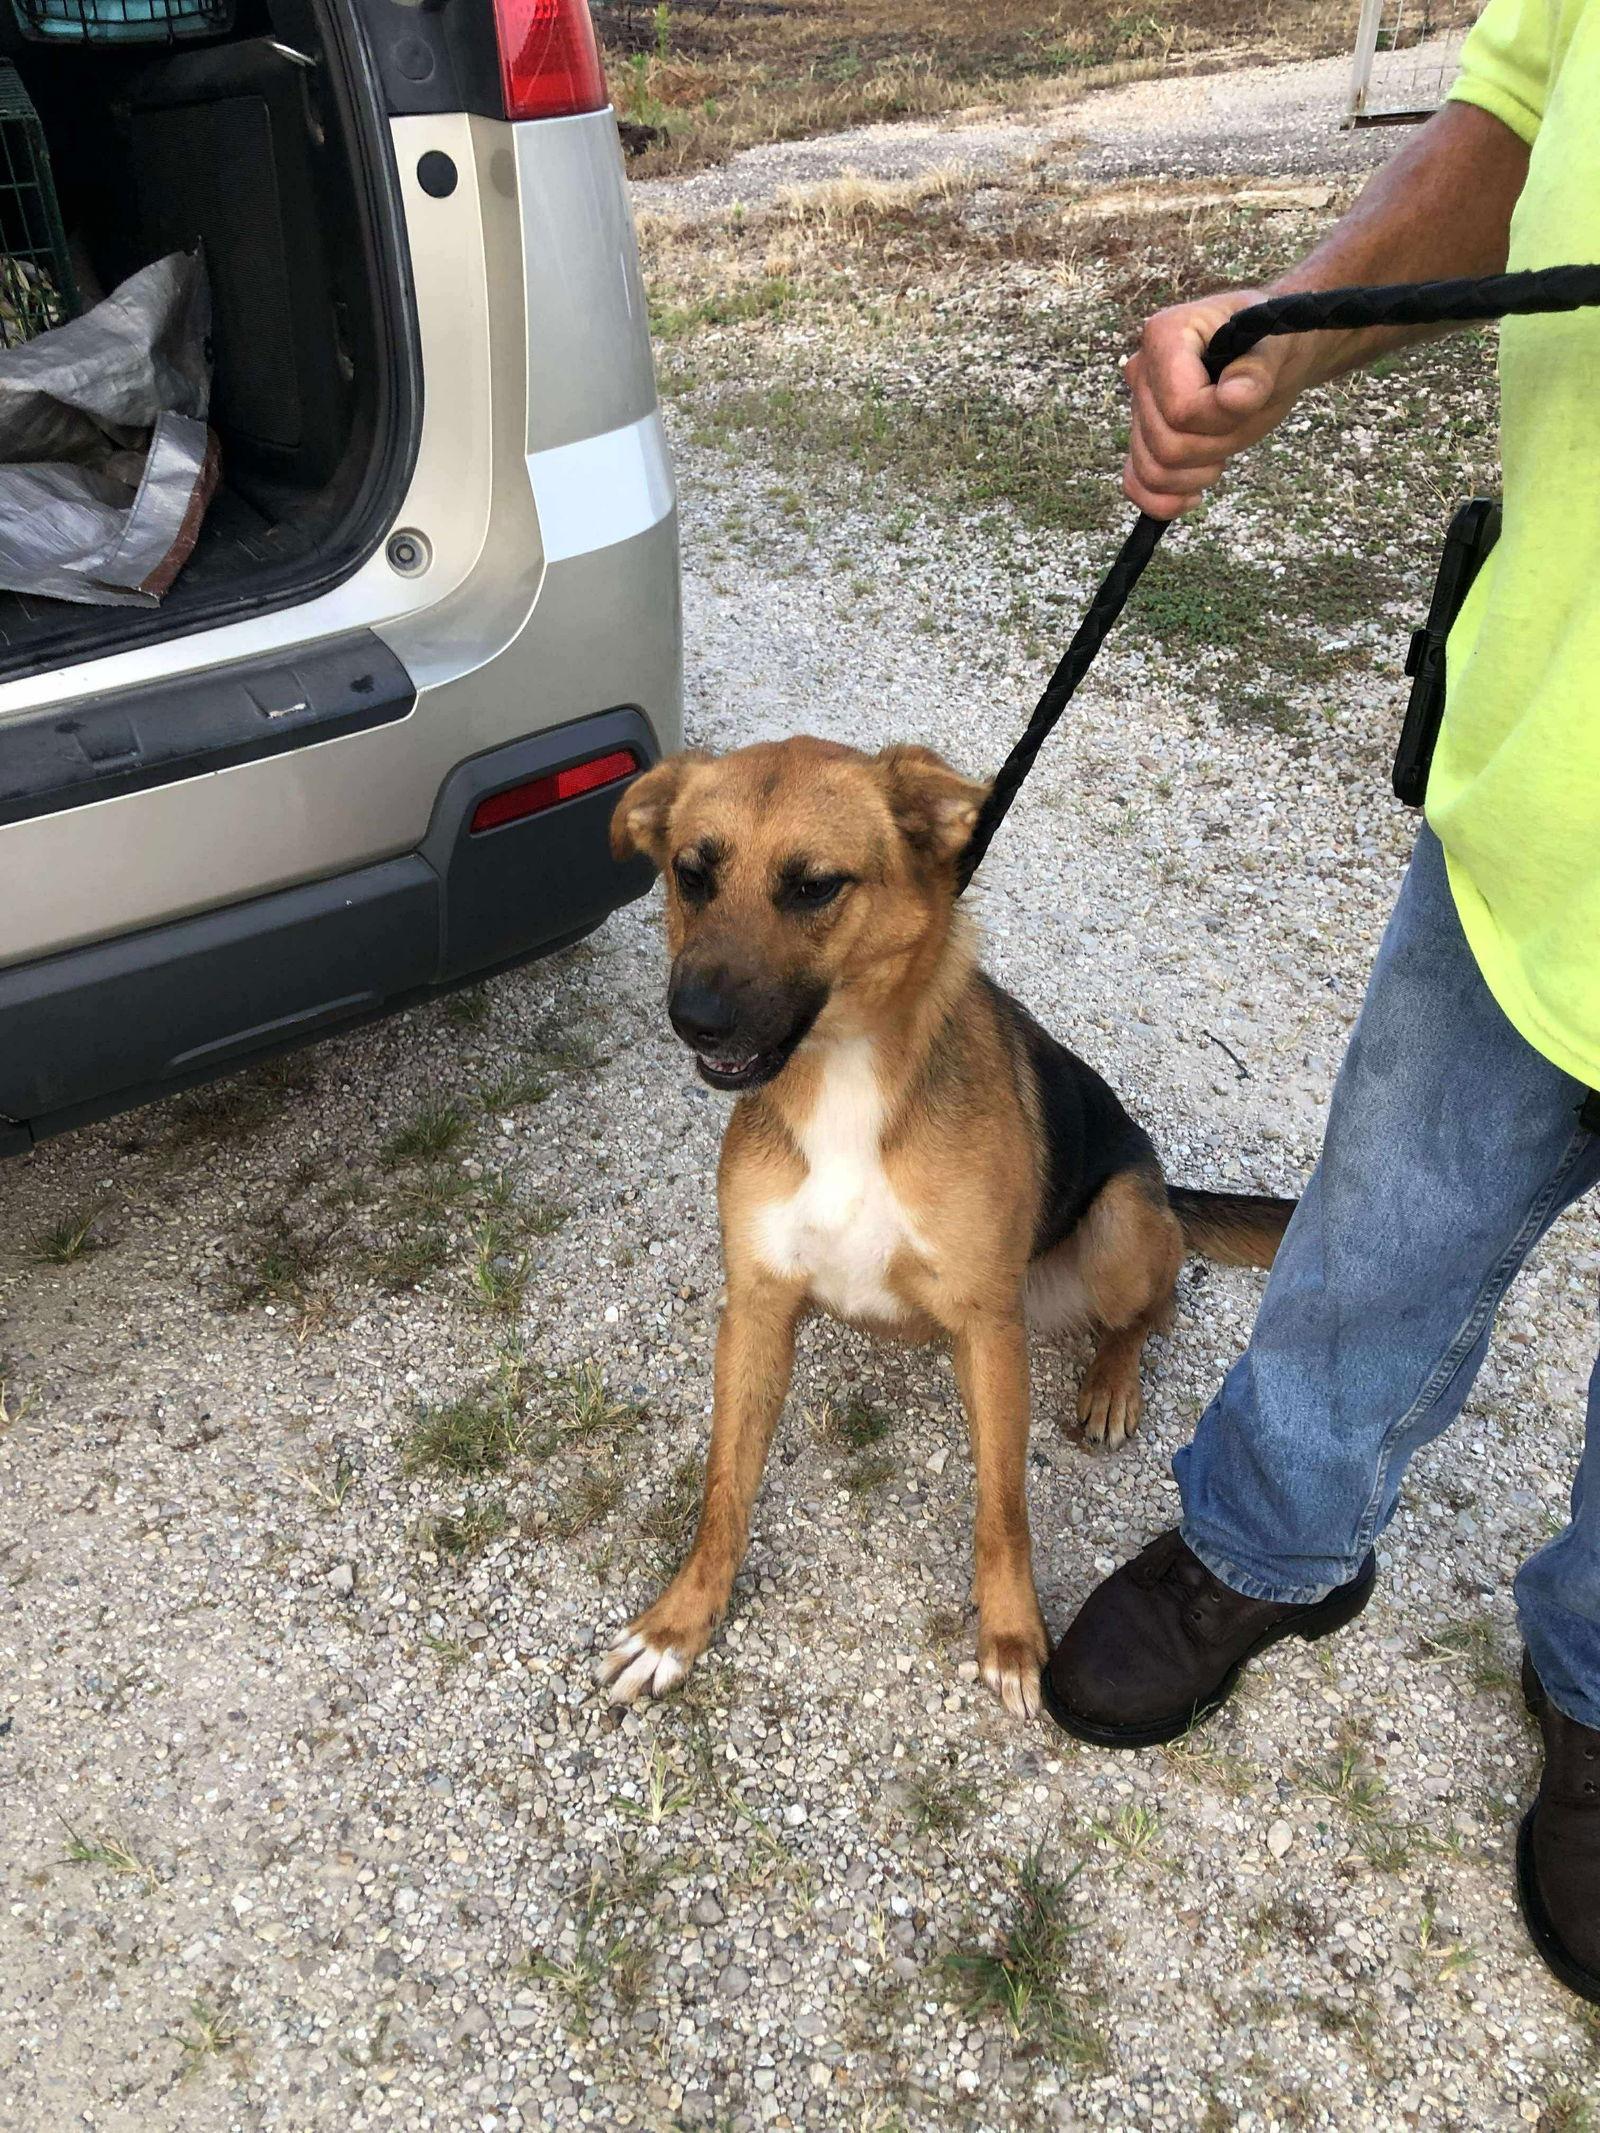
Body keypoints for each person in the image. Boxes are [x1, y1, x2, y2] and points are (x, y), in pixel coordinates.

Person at [1042, 0, 1600, 2008]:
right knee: (1378, 1222)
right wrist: (1283, 330)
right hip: (1544, 794)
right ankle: (1266, 1538)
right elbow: (1509, 120)